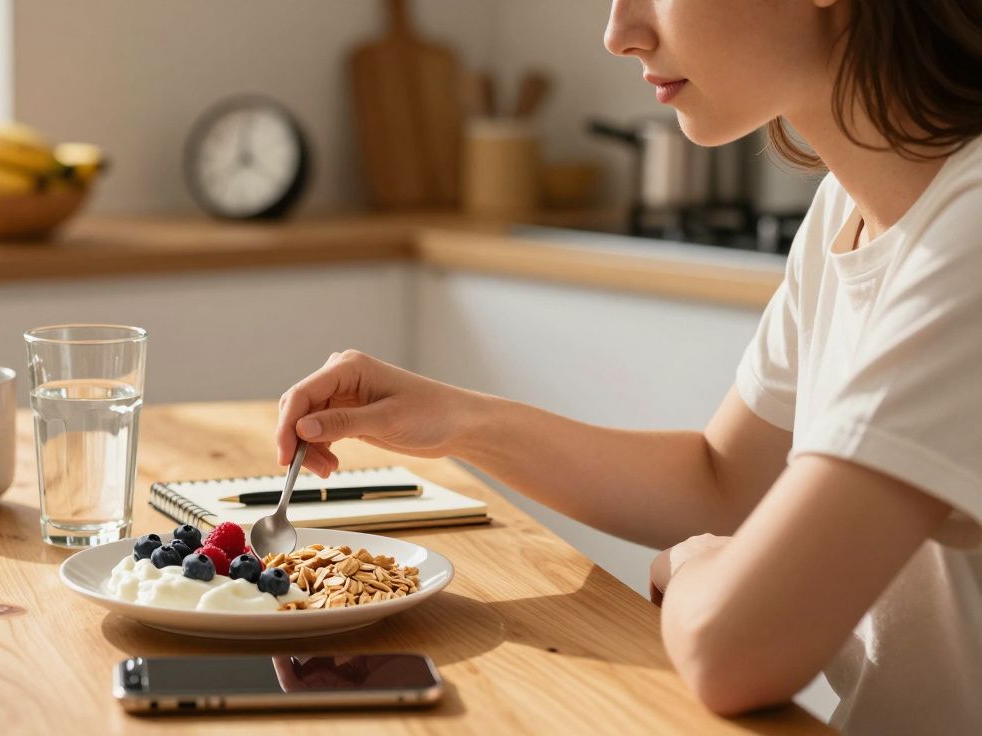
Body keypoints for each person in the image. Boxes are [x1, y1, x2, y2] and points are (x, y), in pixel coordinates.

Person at [274, 1, 982, 732]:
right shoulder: (849, 205)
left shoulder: (970, 235)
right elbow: (726, 480)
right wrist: (459, 420)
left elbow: (729, 651)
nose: (619, 34)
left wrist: (701, 567)